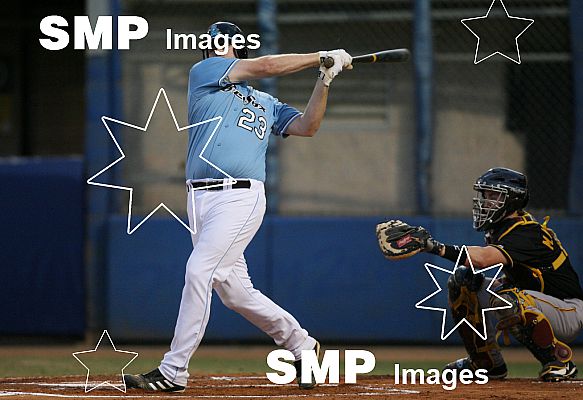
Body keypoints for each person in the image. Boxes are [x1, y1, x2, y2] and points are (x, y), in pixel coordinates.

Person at [124, 22, 352, 392]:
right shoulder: (205, 73)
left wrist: (324, 78)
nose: (214, 46)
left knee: (200, 271)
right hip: (199, 199)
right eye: (212, 42)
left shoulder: (266, 103)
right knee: (236, 294)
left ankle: (173, 371)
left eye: (223, 42)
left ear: (237, 49)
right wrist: (319, 57)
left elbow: (308, 126)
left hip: (239, 197)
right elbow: (266, 66)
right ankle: (303, 346)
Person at [376, 167, 583, 382]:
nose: (485, 202)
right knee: (463, 281)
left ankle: (558, 361)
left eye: (494, 196)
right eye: (485, 195)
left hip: (568, 310)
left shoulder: (526, 231)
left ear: (512, 200)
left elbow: (482, 259)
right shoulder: (500, 230)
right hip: (538, 302)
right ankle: (486, 364)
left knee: (510, 299)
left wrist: (433, 247)